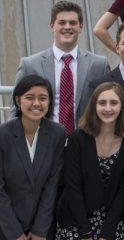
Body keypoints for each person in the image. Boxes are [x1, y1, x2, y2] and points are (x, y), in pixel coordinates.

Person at [56, 83, 124, 240]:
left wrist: (106, 234)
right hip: (76, 218)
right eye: (102, 103)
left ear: (122, 107)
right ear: (94, 106)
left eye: (114, 103)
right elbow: (73, 187)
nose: (107, 108)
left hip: (112, 221)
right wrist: (85, 233)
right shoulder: (77, 138)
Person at [16, 0, 109, 135]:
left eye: (73, 23)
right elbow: (16, 109)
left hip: (85, 142)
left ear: (81, 27)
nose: (67, 27)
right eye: (62, 22)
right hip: (43, 141)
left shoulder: (99, 65)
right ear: (52, 26)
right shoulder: (30, 65)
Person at [0, 75, 66, 240]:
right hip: (6, 227)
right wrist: (14, 232)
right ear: (17, 100)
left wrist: (40, 230)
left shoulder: (57, 133)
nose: (36, 103)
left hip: (42, 228)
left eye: (43, 98)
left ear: (49, 101)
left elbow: (52, 185)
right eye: (29, 97)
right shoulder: (3, 134)